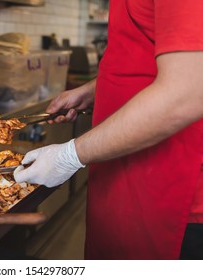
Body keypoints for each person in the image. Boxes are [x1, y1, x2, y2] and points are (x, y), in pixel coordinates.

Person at [14, 0, 203, 260]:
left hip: (172, 196)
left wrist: (71, 155)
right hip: (124, 179)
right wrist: (95, 89)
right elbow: (145, 54)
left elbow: (188, 92)